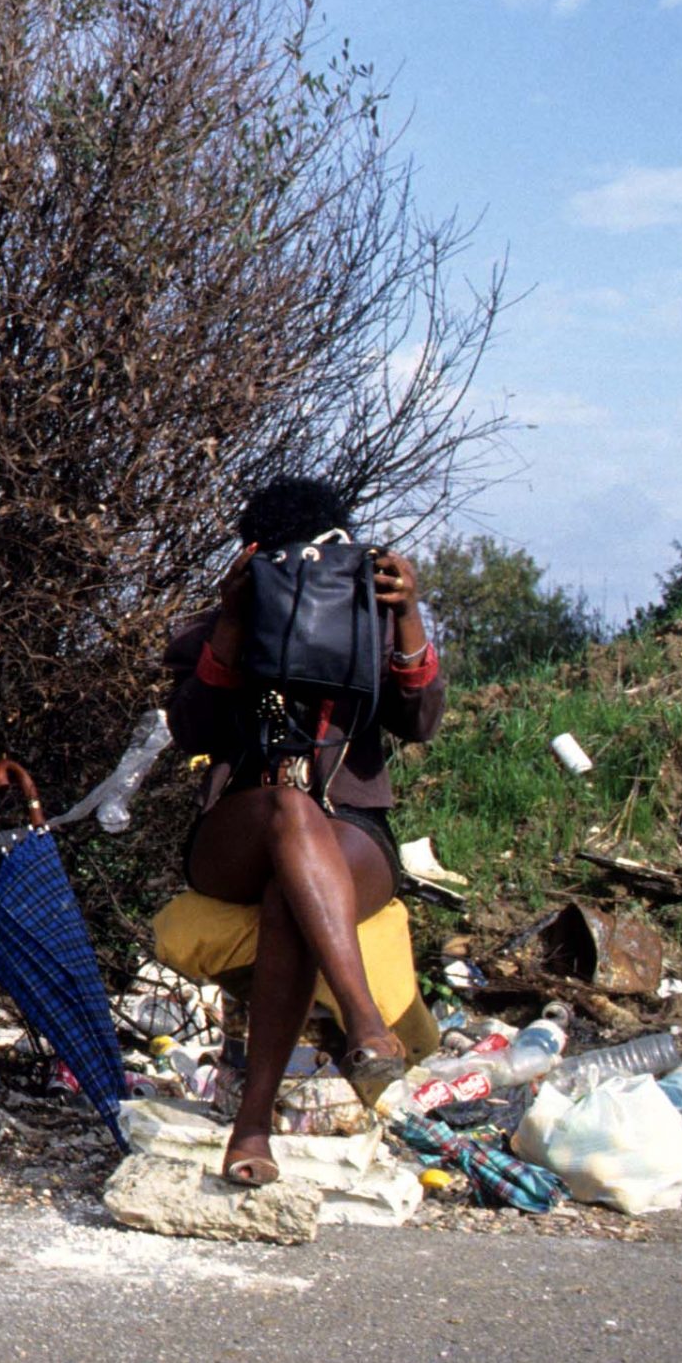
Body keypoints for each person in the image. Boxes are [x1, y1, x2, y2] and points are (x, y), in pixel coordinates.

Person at [164, 475, 444, 1187]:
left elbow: (420, 722)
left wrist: (406, 613)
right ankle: (365, 1023)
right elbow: (192, 730)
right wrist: (234, 622)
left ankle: (251, 1126)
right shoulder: (212, 628)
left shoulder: (369, 621)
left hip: (351, 832)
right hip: (243, 829)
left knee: (293, 887)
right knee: (291, 811)